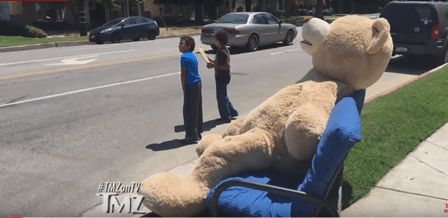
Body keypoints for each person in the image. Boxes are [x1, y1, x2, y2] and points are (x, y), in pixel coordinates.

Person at [206, 30, 238, 122]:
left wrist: (214, 65)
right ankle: (232, 112)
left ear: (218, 41)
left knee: (221, 97)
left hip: (222, 77)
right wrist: (212, 61)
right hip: (223, 76)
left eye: (215, 39)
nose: (214, 41)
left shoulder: (222, 52)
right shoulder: (223, 49)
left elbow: (226, 65)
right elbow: (220, 62)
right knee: (224, 95)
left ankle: (226, 117)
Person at [179, 35, 203, 144]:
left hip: (190, 84)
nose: (179, 46)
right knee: (196, 109)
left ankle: (191, 135)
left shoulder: (184, 57)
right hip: (197, 83)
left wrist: (183, 86)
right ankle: (198, 132)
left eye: (182, 44)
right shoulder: (193, 56)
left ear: (188, 46)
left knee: (188, 111)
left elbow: (183, 74)